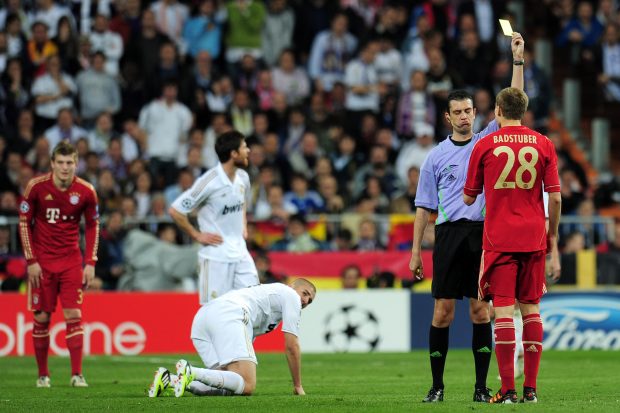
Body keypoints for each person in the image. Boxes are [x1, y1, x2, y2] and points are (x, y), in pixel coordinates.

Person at [409, 32, 525, 403]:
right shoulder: (434, 158)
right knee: (442, 312)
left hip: (483, 234)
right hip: (448, 235)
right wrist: (415, 252)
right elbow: (424, 209)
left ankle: (480, 387)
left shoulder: (489, 139)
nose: (463, 116)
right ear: (447, 117)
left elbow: (514, 102)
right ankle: (437, 386)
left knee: (480, 310)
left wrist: (517, 61)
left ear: (478, 114)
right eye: (456, 111)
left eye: (468, 110)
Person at [463, 87, 561, 403]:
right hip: (533, 237)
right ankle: (530, 390)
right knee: (532, 311)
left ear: (497, 111)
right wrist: (553, 236)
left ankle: (507, 390)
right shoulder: (544, 143)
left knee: (503, 314)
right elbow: (556, 197)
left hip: (499, 238)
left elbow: (468, 195)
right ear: (524, 110)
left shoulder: (485, 144)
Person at [18, 141, 100, 388]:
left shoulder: (86, 191)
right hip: (41, 264)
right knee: (42, 317)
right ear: (52, 164)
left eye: (70, 163)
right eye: (61, 163)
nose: (65, 168)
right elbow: (24, 223)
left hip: (71, 262)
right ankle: (43, 375)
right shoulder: (36, 187)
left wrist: (90, 262)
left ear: (76, 164)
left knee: (73, 313)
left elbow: (93, 226)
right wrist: (31, 260)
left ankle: (77, 374)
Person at [148, 278, 316, 397]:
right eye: (305, 293)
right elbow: (292, 346)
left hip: (204, 319)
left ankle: (169, 380)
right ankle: (190, 371)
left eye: (310, 301)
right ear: (292, 286)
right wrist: (297, 385)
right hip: (229, 313)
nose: (306, 301)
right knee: (248, 384)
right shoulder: (290, 295)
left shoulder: (271, 305)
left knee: (228, 384)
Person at [169, 130, 259, 304]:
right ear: (233, 154)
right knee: (214, 311)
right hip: (215, 256)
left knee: (253, 302)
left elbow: (241, 201)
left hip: (240, 252)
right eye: (244, 147)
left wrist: (244, 224)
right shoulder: (210, 182)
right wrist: (196, 235)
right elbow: (175, 210)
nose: (248, 151)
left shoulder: (243, 177)